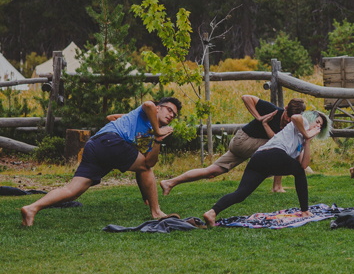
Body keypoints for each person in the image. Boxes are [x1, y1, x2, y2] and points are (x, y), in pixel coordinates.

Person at [21, 97, 182, 227]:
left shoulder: (150, 134)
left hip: (95, 145)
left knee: (72, 191)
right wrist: (157, 130)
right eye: (169, 110)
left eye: (174, 115)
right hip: (110, 140)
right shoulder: (147, 111)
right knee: (145, 167)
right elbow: (148, 104)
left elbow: (149, 162)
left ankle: (31, 208)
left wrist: (158, 140)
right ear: (158, 107)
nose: (171, 115)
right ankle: (156, 212)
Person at [203, 101, 326, 227]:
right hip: (271, 154)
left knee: (241, 194)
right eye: (317, 122)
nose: (318, 127)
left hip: (259, 159)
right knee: (298, 172)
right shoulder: (302, 123)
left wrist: (307, 140)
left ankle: (212, 213)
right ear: (310, 118)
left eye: (320, 126)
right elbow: (295, 117)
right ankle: (305, 211)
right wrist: (306, 133)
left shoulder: (301, 143)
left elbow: (304, 165)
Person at [161, 95, 309, 195]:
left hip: (249, 146)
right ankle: (276, 186)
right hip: (242, 141)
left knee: (212, 171)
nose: (289, 121)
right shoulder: (273, 110)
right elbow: (245, 97)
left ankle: (170, 183)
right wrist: (259, 119)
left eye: (293, 119)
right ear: (286, 110)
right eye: (287, 117)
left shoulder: (294, 123)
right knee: (280, 148)